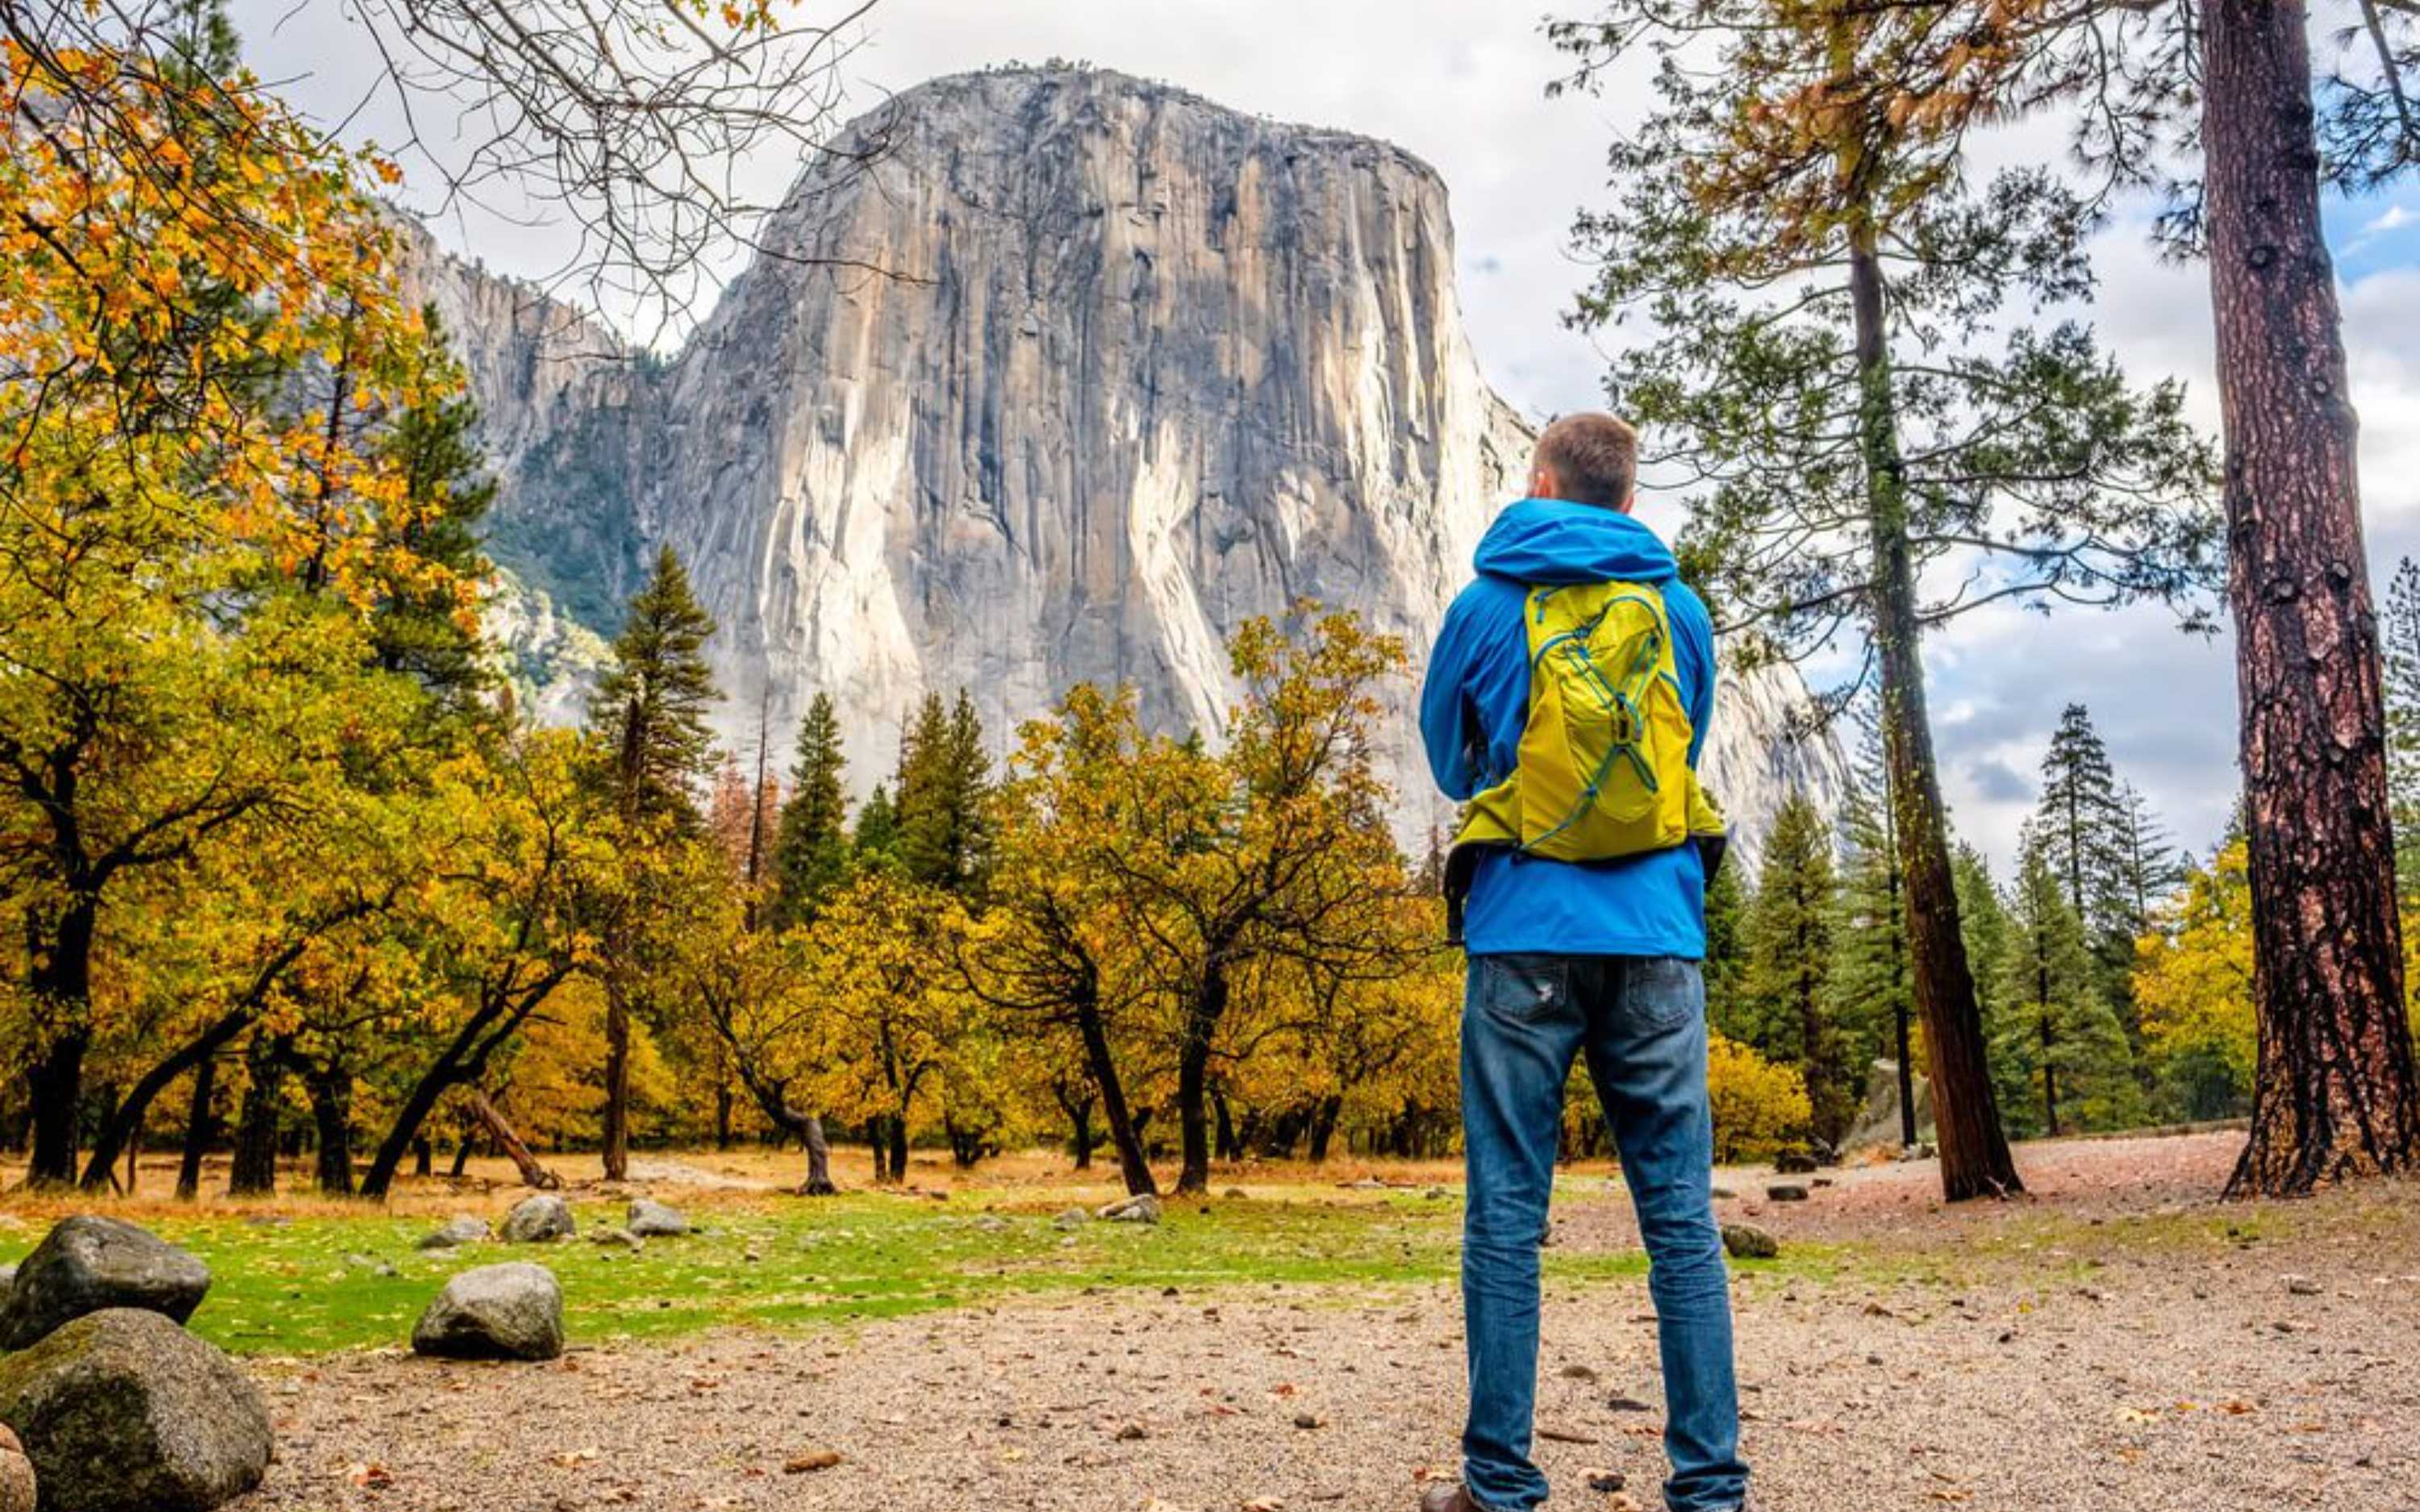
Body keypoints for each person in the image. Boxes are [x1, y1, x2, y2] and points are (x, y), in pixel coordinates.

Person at [1415, 412, 1749, 1512]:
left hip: (1522, 932)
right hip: (1656, 936)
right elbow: (1682, 751)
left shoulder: (1483, 605)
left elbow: (1448, 756)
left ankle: (1500, 1486)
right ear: (1628, 498)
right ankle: (1708, 1489)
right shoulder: (1680, 610)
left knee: (1508, 1213)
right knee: (1681, 1218)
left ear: (1542, 481)